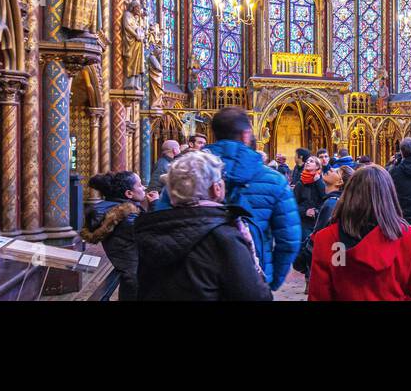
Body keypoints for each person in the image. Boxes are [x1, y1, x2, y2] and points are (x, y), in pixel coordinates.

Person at [156, 106, 299, 292]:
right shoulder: (275, 180)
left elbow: (162, 225)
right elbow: (288, 239)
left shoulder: (182, 176)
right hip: (251, 278)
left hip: (191, 279)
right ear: (247, 135)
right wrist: (270, 280)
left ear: (213, 133)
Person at [133, 150, 272, 301]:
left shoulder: (151, 229)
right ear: (216, 189)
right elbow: (256, 296)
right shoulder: (225, 237)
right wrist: (254, 262)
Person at [307, 164, 411, 301]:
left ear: (349, 194)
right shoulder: (408, 237)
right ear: (389, 197)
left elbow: (319, 295)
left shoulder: (327, 238)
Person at [81, 171, 146, 300]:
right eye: (140, 185)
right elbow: (150, 236)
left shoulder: (113, 212)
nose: (144, 187)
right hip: (137, 275)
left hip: (129, 271)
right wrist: (155, 204)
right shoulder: (127, 217)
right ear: (129, 194)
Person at [295, 156, 327, 245]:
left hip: (320, 221)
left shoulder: (323, 181)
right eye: (307, 161)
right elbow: (293, 206)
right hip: (304, 222)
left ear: (317, 166)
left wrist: (318, 181)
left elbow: (325, 198)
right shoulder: (300, 184)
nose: (307, 162)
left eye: (311, 161)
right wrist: (305, 211)